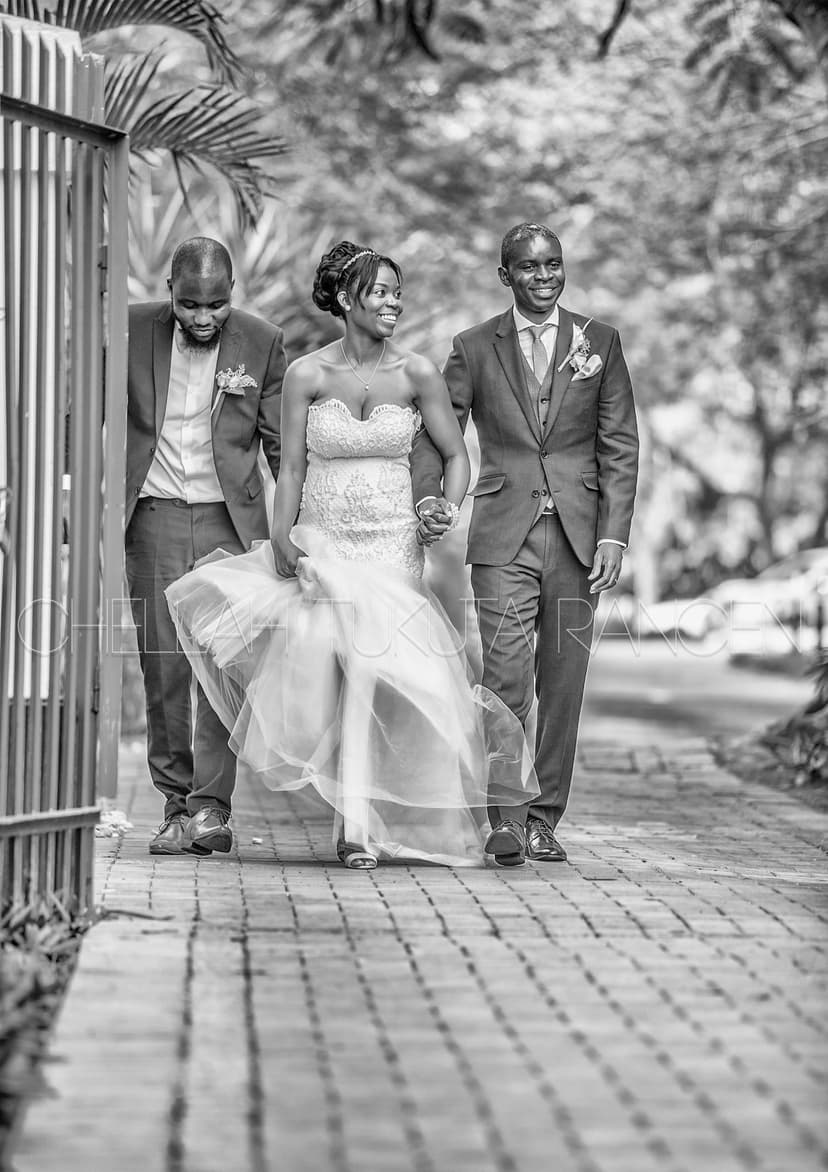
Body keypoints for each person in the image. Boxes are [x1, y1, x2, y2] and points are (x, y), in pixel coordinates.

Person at [165, 241, 537, 869]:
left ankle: (370, 823)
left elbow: (456, 457)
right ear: (346, 298)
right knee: (330, 679)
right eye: (380, 292)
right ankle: (350, 821)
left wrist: (444, 508)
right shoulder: (307, 375)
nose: (393, 303)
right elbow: (290, 466)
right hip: (326, 540)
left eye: (397, 293)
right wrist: (282, 534)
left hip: (392, 544)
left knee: (385, 676)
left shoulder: (418, 373)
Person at [412, 222, 638, 866]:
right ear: (505, 275)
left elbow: (620, 444)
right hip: (502, 535)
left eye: (553, 264)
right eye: (530, 267)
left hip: (578, 537)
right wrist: (429, 498)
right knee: (506, 677)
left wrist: (614, 533)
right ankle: (506, 819)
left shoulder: (600, 341)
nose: (544, 277)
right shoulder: (473, 346)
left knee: (563, 681)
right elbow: (438, 434)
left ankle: (544, 820)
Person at [126, 237, 286, 857]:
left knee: (222, 666)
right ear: (170, 290)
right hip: (155, 517)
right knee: (164, 663)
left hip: (230, 523)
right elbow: (85, 414)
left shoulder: (262, 341)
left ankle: (211, 808)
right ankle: (174, 806)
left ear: (232, 295)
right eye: (190, 304)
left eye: (215, 305)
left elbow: (280, 446)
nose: (202, 317)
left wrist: (297, 527)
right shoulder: (130, 328)